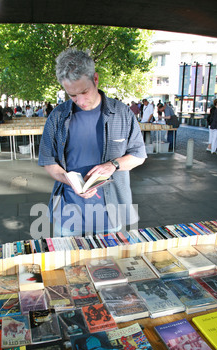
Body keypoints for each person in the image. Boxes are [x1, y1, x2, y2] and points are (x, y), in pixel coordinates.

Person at [38, 48, 147, 237]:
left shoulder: (122, 113)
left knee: (108, 265)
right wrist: (69, 181)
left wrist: (113, 165)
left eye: (84, 91)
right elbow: (48, 161)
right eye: (72, 95)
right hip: (68, 215)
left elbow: (138, 155)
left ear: (95, 79)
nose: (80, 101)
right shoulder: (57, 116)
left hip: (110, 214)